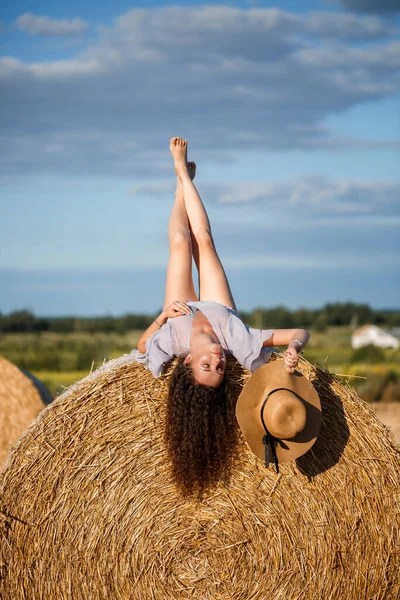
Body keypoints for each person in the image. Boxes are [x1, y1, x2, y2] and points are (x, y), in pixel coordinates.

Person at [135, 137, 310, 495]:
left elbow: (141, 347)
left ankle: (180, 184)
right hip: (220, 307)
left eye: (206, 367)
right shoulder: (237, 343)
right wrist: (293, 347)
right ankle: (184, 176)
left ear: (187, 364)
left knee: (181, 242)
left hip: (178, 309)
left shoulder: (173, 343)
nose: (217, 361)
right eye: (218, 369)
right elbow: (300, 331)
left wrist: (162, 316)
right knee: (205, 240)